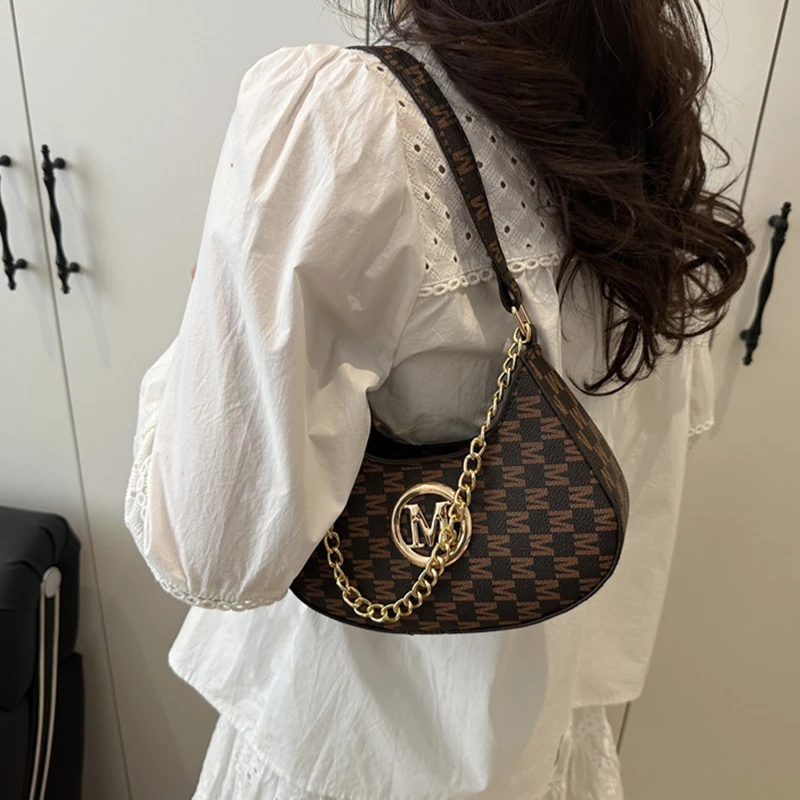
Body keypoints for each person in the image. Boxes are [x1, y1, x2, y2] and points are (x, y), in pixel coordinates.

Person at [125, 2, 751, 798]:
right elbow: (667, 428)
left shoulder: (353, 122)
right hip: (544, 740)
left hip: (351, 746)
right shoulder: (645, 112)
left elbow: (214, 550)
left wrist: (209, 334)